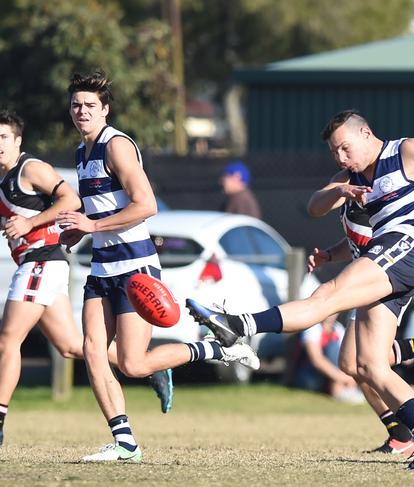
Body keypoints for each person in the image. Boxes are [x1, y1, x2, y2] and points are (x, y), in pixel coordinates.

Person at [187, 109, 414, 470]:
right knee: (366, 364)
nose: (341, 157)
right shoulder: (349, 176)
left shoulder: (408, 151)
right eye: (334, 152)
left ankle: (238, 325)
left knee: (326, 297)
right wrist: (339, 190)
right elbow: (315, 206)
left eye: (345, 148)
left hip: (406, 248)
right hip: (386, 261)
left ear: (366, 133)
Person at [56, 71, 260, 463]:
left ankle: (218, 349)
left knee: (133, 363)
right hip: (102, 269)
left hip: (135, 270)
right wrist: (79, 233)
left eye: (90, 106)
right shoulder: (81, 154)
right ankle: (125, 442)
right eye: (76, 105)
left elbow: (146, 205)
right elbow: (102, 211)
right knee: (93, 350)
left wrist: (92, 225)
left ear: (106, 110)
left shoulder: (116, 146)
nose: (82, 111)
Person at [0, 110, 172, 448]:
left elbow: (71, 200)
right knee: (70, 346)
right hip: (43, 264)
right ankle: (153, 368)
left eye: (3, 138)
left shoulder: (30, 168)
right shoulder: (8, 178)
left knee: (7, 340)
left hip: (42, 262)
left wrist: (31, 225)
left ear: (18, 141)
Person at [307, 205, 414, 455]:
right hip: (364, 282)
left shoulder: (373, 186)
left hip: (385, 281)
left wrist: (337, 192)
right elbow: (355, 240)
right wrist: (328, 255)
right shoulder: (352, 185)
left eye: (346, 162)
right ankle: (401, 433)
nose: (342, 163)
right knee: (351, 364)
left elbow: (319, 207)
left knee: (367, 361)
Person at [290, 312, 364, 403]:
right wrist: (342, 378)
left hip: (329, 376)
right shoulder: (312, 327)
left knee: (344, 352)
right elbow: (316, 360)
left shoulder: (338, 328)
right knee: (332, 347)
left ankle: (344, 388)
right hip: (309, 375)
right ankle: (338, 390)